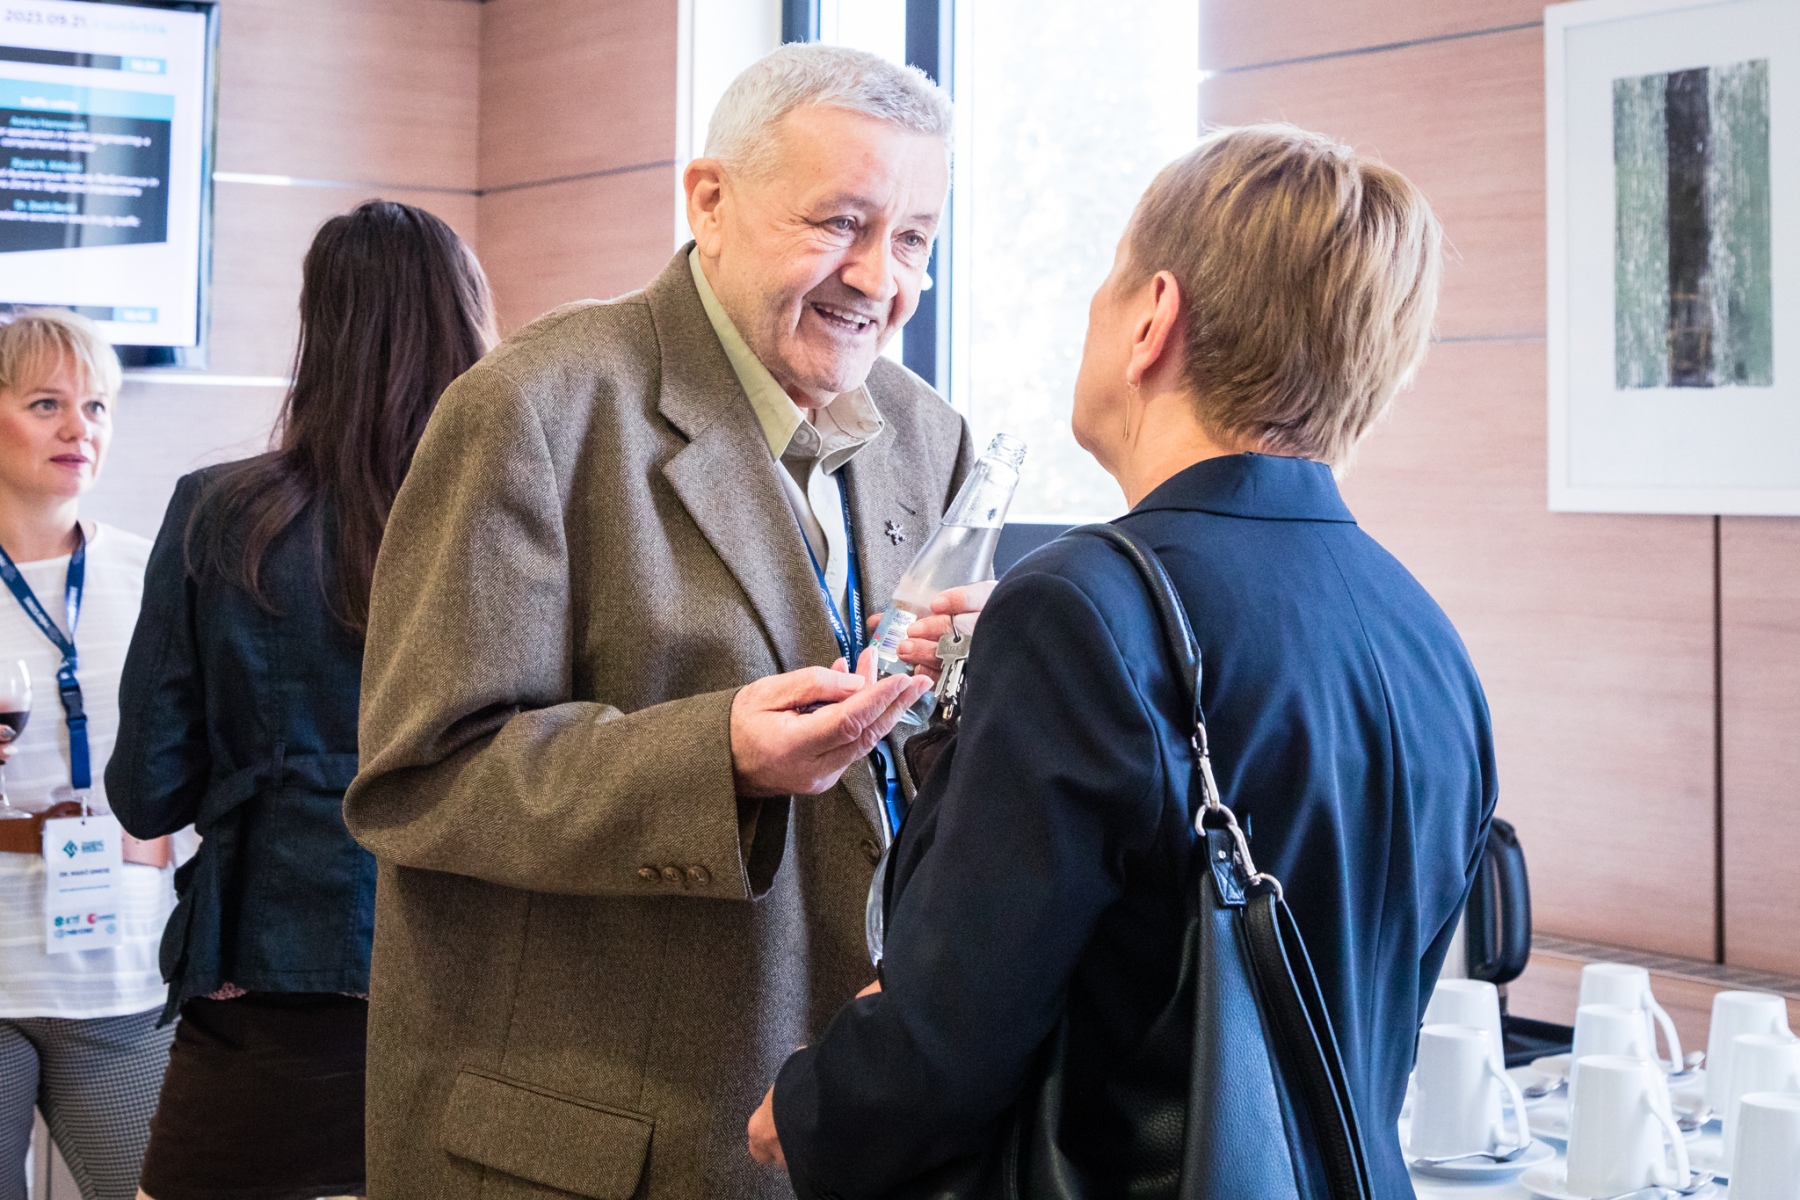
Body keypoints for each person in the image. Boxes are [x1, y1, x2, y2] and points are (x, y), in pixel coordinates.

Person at [755, 124, 1497, 1199]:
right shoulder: (1425, 636)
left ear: (1153, 320)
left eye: (1105, 285)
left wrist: (808, 1108)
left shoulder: (1081, 607)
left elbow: (951, 1035)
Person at [343, 44, 975, 1200]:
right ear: (710, 202)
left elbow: (903, 777)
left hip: (840, 1122)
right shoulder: (535, 408)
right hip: (596, 1148)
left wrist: (962, 690)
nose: (878, 278)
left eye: (914, 240)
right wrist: (718, 758)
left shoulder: (928, 434)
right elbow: (420, 781)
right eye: (840, 223)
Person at [106, 200, 496, 1200]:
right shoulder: (512, 518)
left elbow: (148, 792)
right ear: (467, 323)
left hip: (269, 978)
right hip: (480, 985)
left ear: (318, 329)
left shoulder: (220, 511)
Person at [0, 310, 176, 1200]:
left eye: (96, 406)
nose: (79, 428)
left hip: (126, 969)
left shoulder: (157, 574)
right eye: (46, 404)